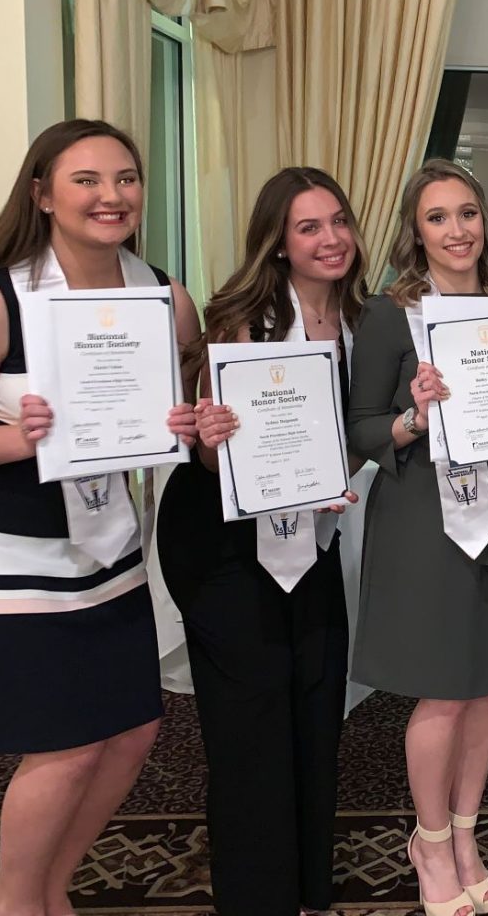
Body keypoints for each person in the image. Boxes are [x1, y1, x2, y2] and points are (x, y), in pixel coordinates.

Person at [0, 118, 199, 916]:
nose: (110, 196)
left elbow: (178, 408)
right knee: (66, 745)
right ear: (42, 194)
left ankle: (51, 888)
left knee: (130, 729)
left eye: (125, 178)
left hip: (105, 549)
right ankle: (17, 904)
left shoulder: (163, 296)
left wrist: (193, 424)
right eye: (86, 180)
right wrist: (19, 439)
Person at [346, 160, 488, 916]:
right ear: (416, 230)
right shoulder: (389, 314)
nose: (457, 230)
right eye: (439, 217)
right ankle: (430, 841)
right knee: (443, 692)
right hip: (421, 522)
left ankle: (467, 833)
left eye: (467, 213)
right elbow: (361, 426)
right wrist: (413, 414)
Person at [155, 167, 367, 916]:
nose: (331, 238)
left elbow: (362, 429)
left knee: (315, 703)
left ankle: (307, 887)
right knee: (250, 721)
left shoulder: (361, 319)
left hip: (311, 535)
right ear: (278, 244)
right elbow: (212, 455)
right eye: (309, 227)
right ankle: (255, 898)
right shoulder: (241, 318)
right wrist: (213, 438)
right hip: (220, 543)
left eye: (338, 221)